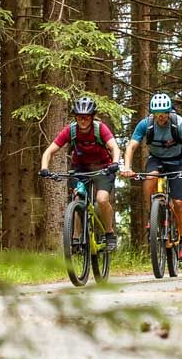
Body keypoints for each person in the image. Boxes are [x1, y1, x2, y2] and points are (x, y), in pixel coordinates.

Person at [123, 91, 182, 262]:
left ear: (169, 112)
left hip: (177, 161)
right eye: (157, 114)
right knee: (149, 179)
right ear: (153, 113)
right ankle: (153, 214)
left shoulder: (179, 123)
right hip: (156, 160)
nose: (161, 118)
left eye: (164, 113)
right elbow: (131, 146)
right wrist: (127, 167)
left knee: (179, 203)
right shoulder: (146, 124)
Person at [39, 96, 121, 249]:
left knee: (102, 199)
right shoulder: (70, 130)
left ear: (92, 117)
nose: (83, 120)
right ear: (75, 117)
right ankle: (76, 238)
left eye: (86, 117)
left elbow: (115, 148)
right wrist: (44, 168)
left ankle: (109, 233)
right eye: (79, 117)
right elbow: (49, 151)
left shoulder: (100, 128)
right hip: (81, 169)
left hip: (103, 168)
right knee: (78, 198)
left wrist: (115, 163)